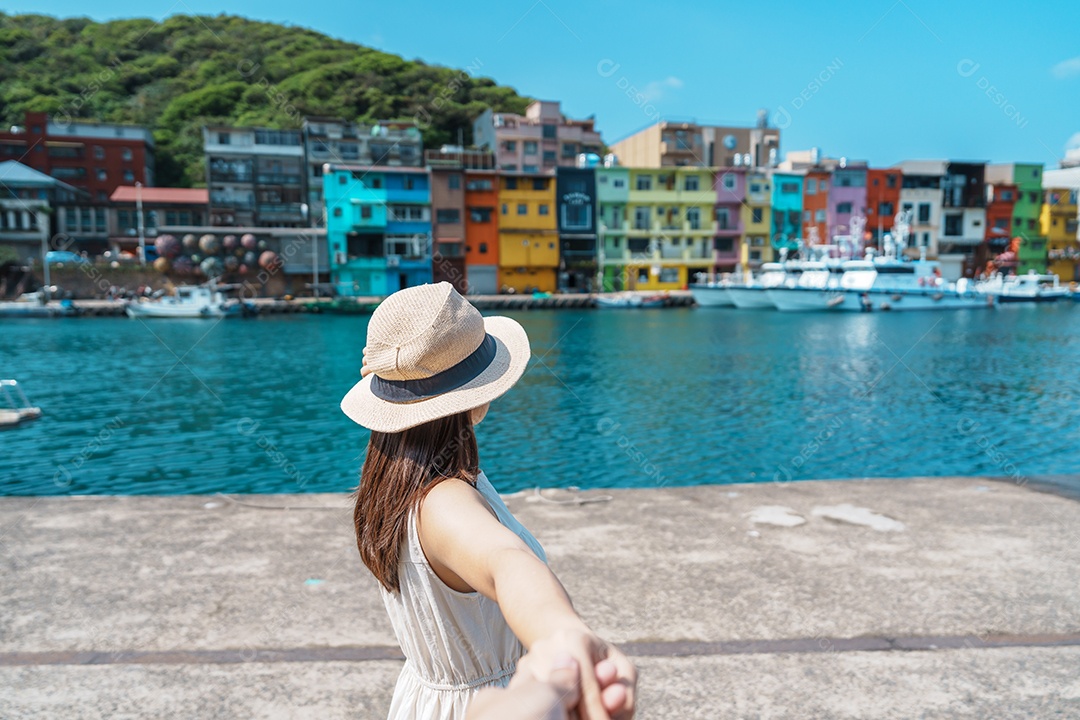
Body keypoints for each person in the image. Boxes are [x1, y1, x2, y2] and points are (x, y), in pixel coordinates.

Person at [342, 282, 635, 720]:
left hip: (428, 700)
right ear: (475, 396)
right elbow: (506, 562)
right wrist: (561, 633)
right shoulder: (444, 499)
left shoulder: (393, 483)